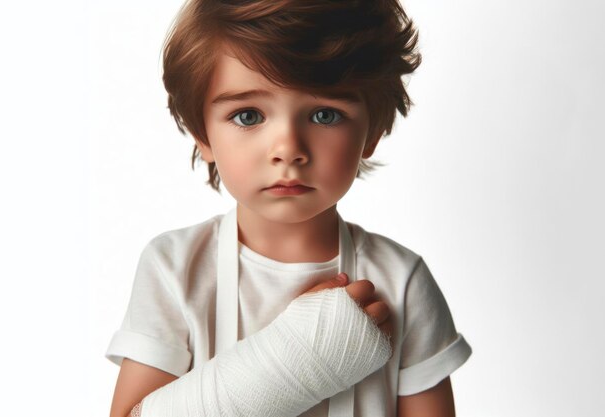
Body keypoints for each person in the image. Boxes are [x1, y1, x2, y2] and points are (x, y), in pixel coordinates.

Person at [106, 1, 472, 416]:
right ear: (201, 135)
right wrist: (297, 351)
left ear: (373, 130)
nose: (288, 149)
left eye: (324, 114)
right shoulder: (175, 269)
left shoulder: (402, 281)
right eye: (248, 115)